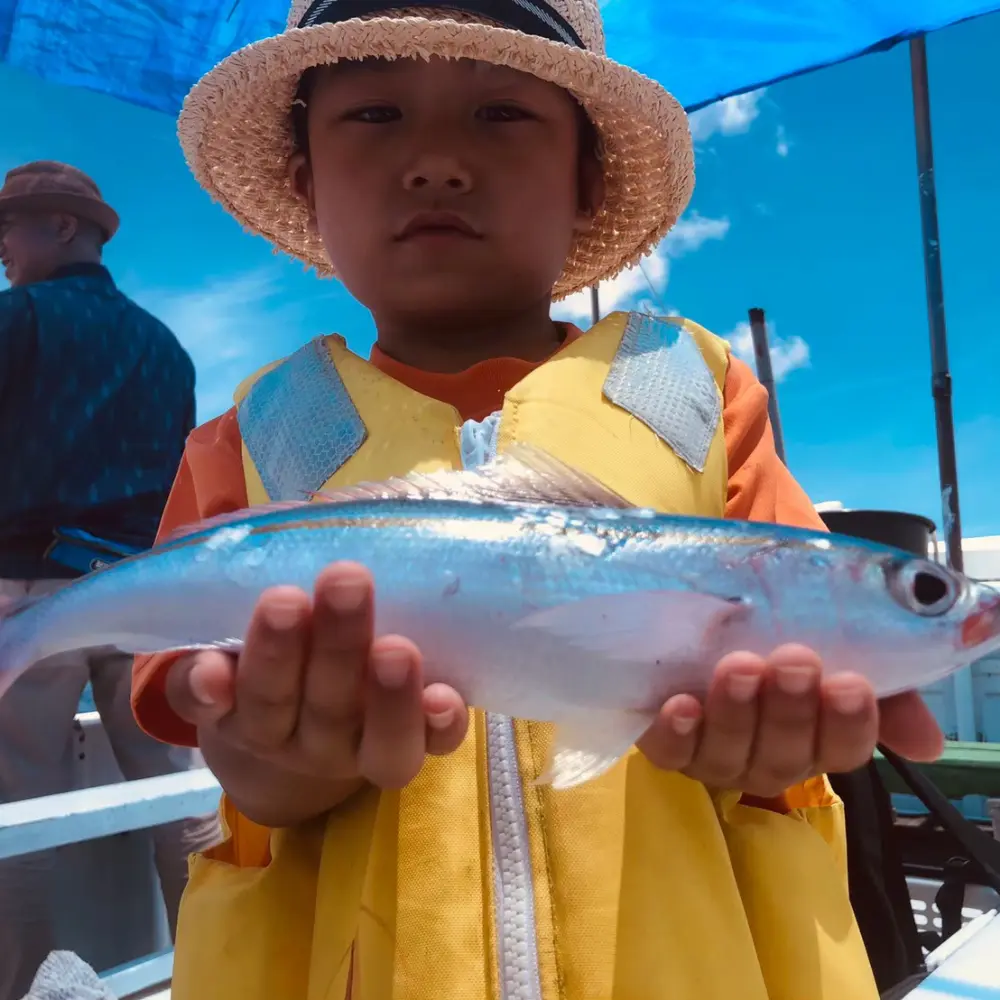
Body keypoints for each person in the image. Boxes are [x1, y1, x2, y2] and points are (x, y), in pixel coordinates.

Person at [132, 3, 944, 997]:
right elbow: (197, 703)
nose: (435, 160)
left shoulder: (695, 392)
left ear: (585, 176)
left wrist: (774, 744)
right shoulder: (247, 442)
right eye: (376, 115)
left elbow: (786, 658)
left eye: (501, 114)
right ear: (306, 179)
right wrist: (276, 762)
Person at [0, 161, 220, 1000]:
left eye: (9, 231)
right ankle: (212, 971)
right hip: (144, 592)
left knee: (22, 812)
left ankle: (21, 988)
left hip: (31, 590)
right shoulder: (165, 347)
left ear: (62, 226)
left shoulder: (16, 321)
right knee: (180, 799)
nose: (2, 252)